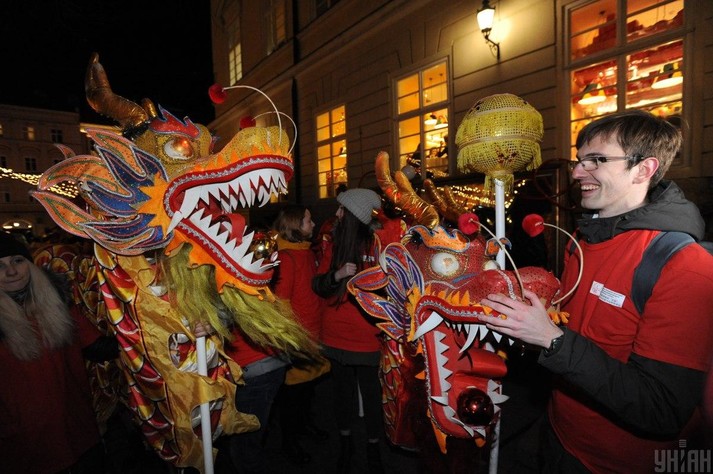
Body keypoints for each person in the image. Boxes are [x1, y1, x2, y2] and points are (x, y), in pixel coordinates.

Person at [477, 110, 713, 473]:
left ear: (643, 169)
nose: (576, 173)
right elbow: (578, 330)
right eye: (579, 160)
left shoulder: (685, 265)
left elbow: (661, 408)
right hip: (558, 435)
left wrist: (551, 339)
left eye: (597, 160)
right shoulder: (582, 240)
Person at [0, 232, 111, 473]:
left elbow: (98, 348)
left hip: (79, 435)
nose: (11, 271)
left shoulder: (58, 304)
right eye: (0, 266)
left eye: (17, 260)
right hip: (26, 450)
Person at [312, 188, 386, 473]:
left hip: (368, 337)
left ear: (354, 214)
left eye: (342, 209)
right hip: (335, 335)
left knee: (372, 396)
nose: (337, 214)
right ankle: (346, 444)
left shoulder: (377, 246)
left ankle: (373, 447)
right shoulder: (333, 245)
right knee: (341, 396)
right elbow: (318, 285)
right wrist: (337, 275)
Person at [271, 205, 329, 465]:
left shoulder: (306, 252)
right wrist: (291, 340)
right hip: (298, 337)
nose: (313, 224)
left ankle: (305, 427)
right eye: (308, 220)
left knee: (307, 391)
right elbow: (281, 303)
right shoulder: (287, 258)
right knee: (293, 397)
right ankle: (289, 442)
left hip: (312, 333)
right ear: (295, 226)